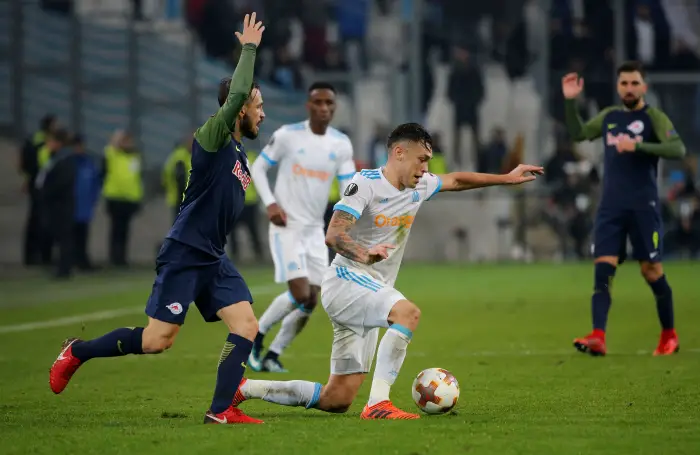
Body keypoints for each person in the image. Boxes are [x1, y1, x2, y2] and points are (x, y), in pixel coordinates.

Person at [230, 123, 542, 419]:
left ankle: (243, 388)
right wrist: (365, 253)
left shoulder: (419, 186)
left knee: (336, 398)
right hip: (346, 281)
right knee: (408, 314)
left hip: (368, 291)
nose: (425, 169)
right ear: (399, 153)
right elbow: (334, 235)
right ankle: (379, 404)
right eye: (421, 160)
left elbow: (457, 180)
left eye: (429, 161)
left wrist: (508, 178)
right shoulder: (365, 184)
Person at [49, 13, 266, 425]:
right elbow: (236, 96)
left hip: (212, 256)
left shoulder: (240, 153)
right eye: (257, 106)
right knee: (156, 341)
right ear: (238, 110)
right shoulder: (212, 137)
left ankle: (220, 411)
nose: (262, 114)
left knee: (246, 324)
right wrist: (249, 49)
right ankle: (77, 351)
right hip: (186, 251)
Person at [562, 61, 687, 357]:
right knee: (603, 270)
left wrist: (640, 146)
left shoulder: (653, 117)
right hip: (611, 207)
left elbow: (678, 149)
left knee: (651, 270)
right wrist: (570, 103)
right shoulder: (610, 117)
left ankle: (669, 335)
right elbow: (579, 133)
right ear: (618, 86)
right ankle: (598, 336)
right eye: (624, 83)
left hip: (644, 207)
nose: (629, 88)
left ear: (644, 86)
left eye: (634, 83)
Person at [248, 82, 356, 372]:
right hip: (287, 227)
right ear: (308, 106)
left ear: (334, 107)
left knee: (311, 301)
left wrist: (351, 215)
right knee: (299, 293)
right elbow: (258, 168)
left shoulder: (340, 144)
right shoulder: (288, 136)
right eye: (318, 102)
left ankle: (273, 354)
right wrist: (270, 203)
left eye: (329, 103)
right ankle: (254, 336)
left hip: (314, 231)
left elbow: (350, 187)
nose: (324, 108)